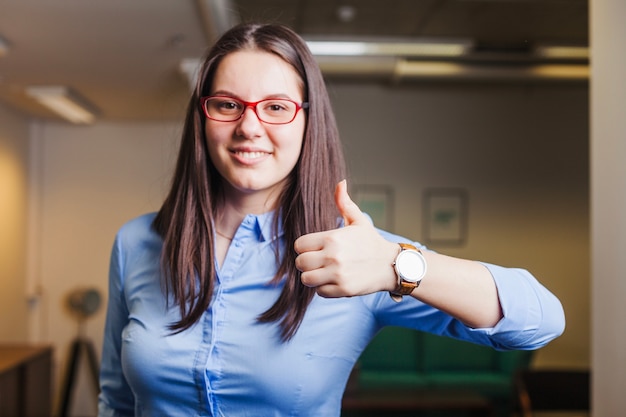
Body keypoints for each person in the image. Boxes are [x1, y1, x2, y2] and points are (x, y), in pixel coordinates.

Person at [98, 22, 565, 417]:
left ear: (307, 120)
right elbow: (116, 400)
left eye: (276, 107)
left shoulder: (358, 258)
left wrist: (394, 265)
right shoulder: (137, 242)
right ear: (203, 117)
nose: (249, 126)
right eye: (227, 104)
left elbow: (540, 320)